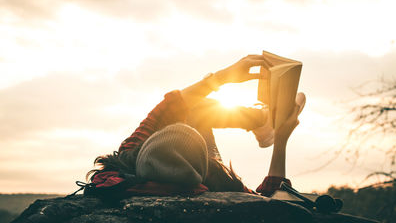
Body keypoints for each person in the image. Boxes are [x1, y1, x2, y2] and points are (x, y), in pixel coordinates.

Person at [86, 54, 306, 198]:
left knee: (187, 109)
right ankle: (265, 124)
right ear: (206, 168)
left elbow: (170, 106)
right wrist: (282, 141)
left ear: (142, 154)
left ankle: (261, 122)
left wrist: (222, 77)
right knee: (193, 112)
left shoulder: (118, 171)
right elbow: (273, 201)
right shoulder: (220, 188)